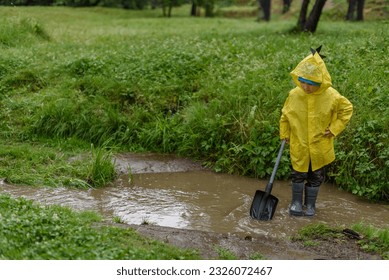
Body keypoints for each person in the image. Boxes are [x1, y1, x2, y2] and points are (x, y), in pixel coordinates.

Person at [279, 46, 353, 216]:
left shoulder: (332, 96)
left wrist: (334, 129)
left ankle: (310, 205)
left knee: (316, 175)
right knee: (297, 173)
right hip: (300, 144)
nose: (306, 87)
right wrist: (285, 133)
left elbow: (347, 109)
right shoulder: (294, 94)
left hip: (320, 145)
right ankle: (296, 202)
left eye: (311, 84)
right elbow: (285, 116)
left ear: (320, 81)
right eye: (303, 82)